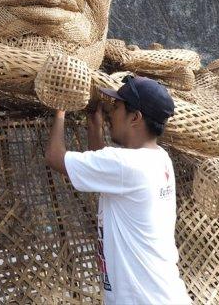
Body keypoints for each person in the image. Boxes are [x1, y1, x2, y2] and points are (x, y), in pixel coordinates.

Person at [44, 74, 192, 305]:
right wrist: (95, 127)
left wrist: (61, 106)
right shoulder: (159, 159)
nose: (111, 113)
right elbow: (106, 170)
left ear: (135, 117)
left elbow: (54, 157)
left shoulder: (126, 165)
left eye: (117, 106)